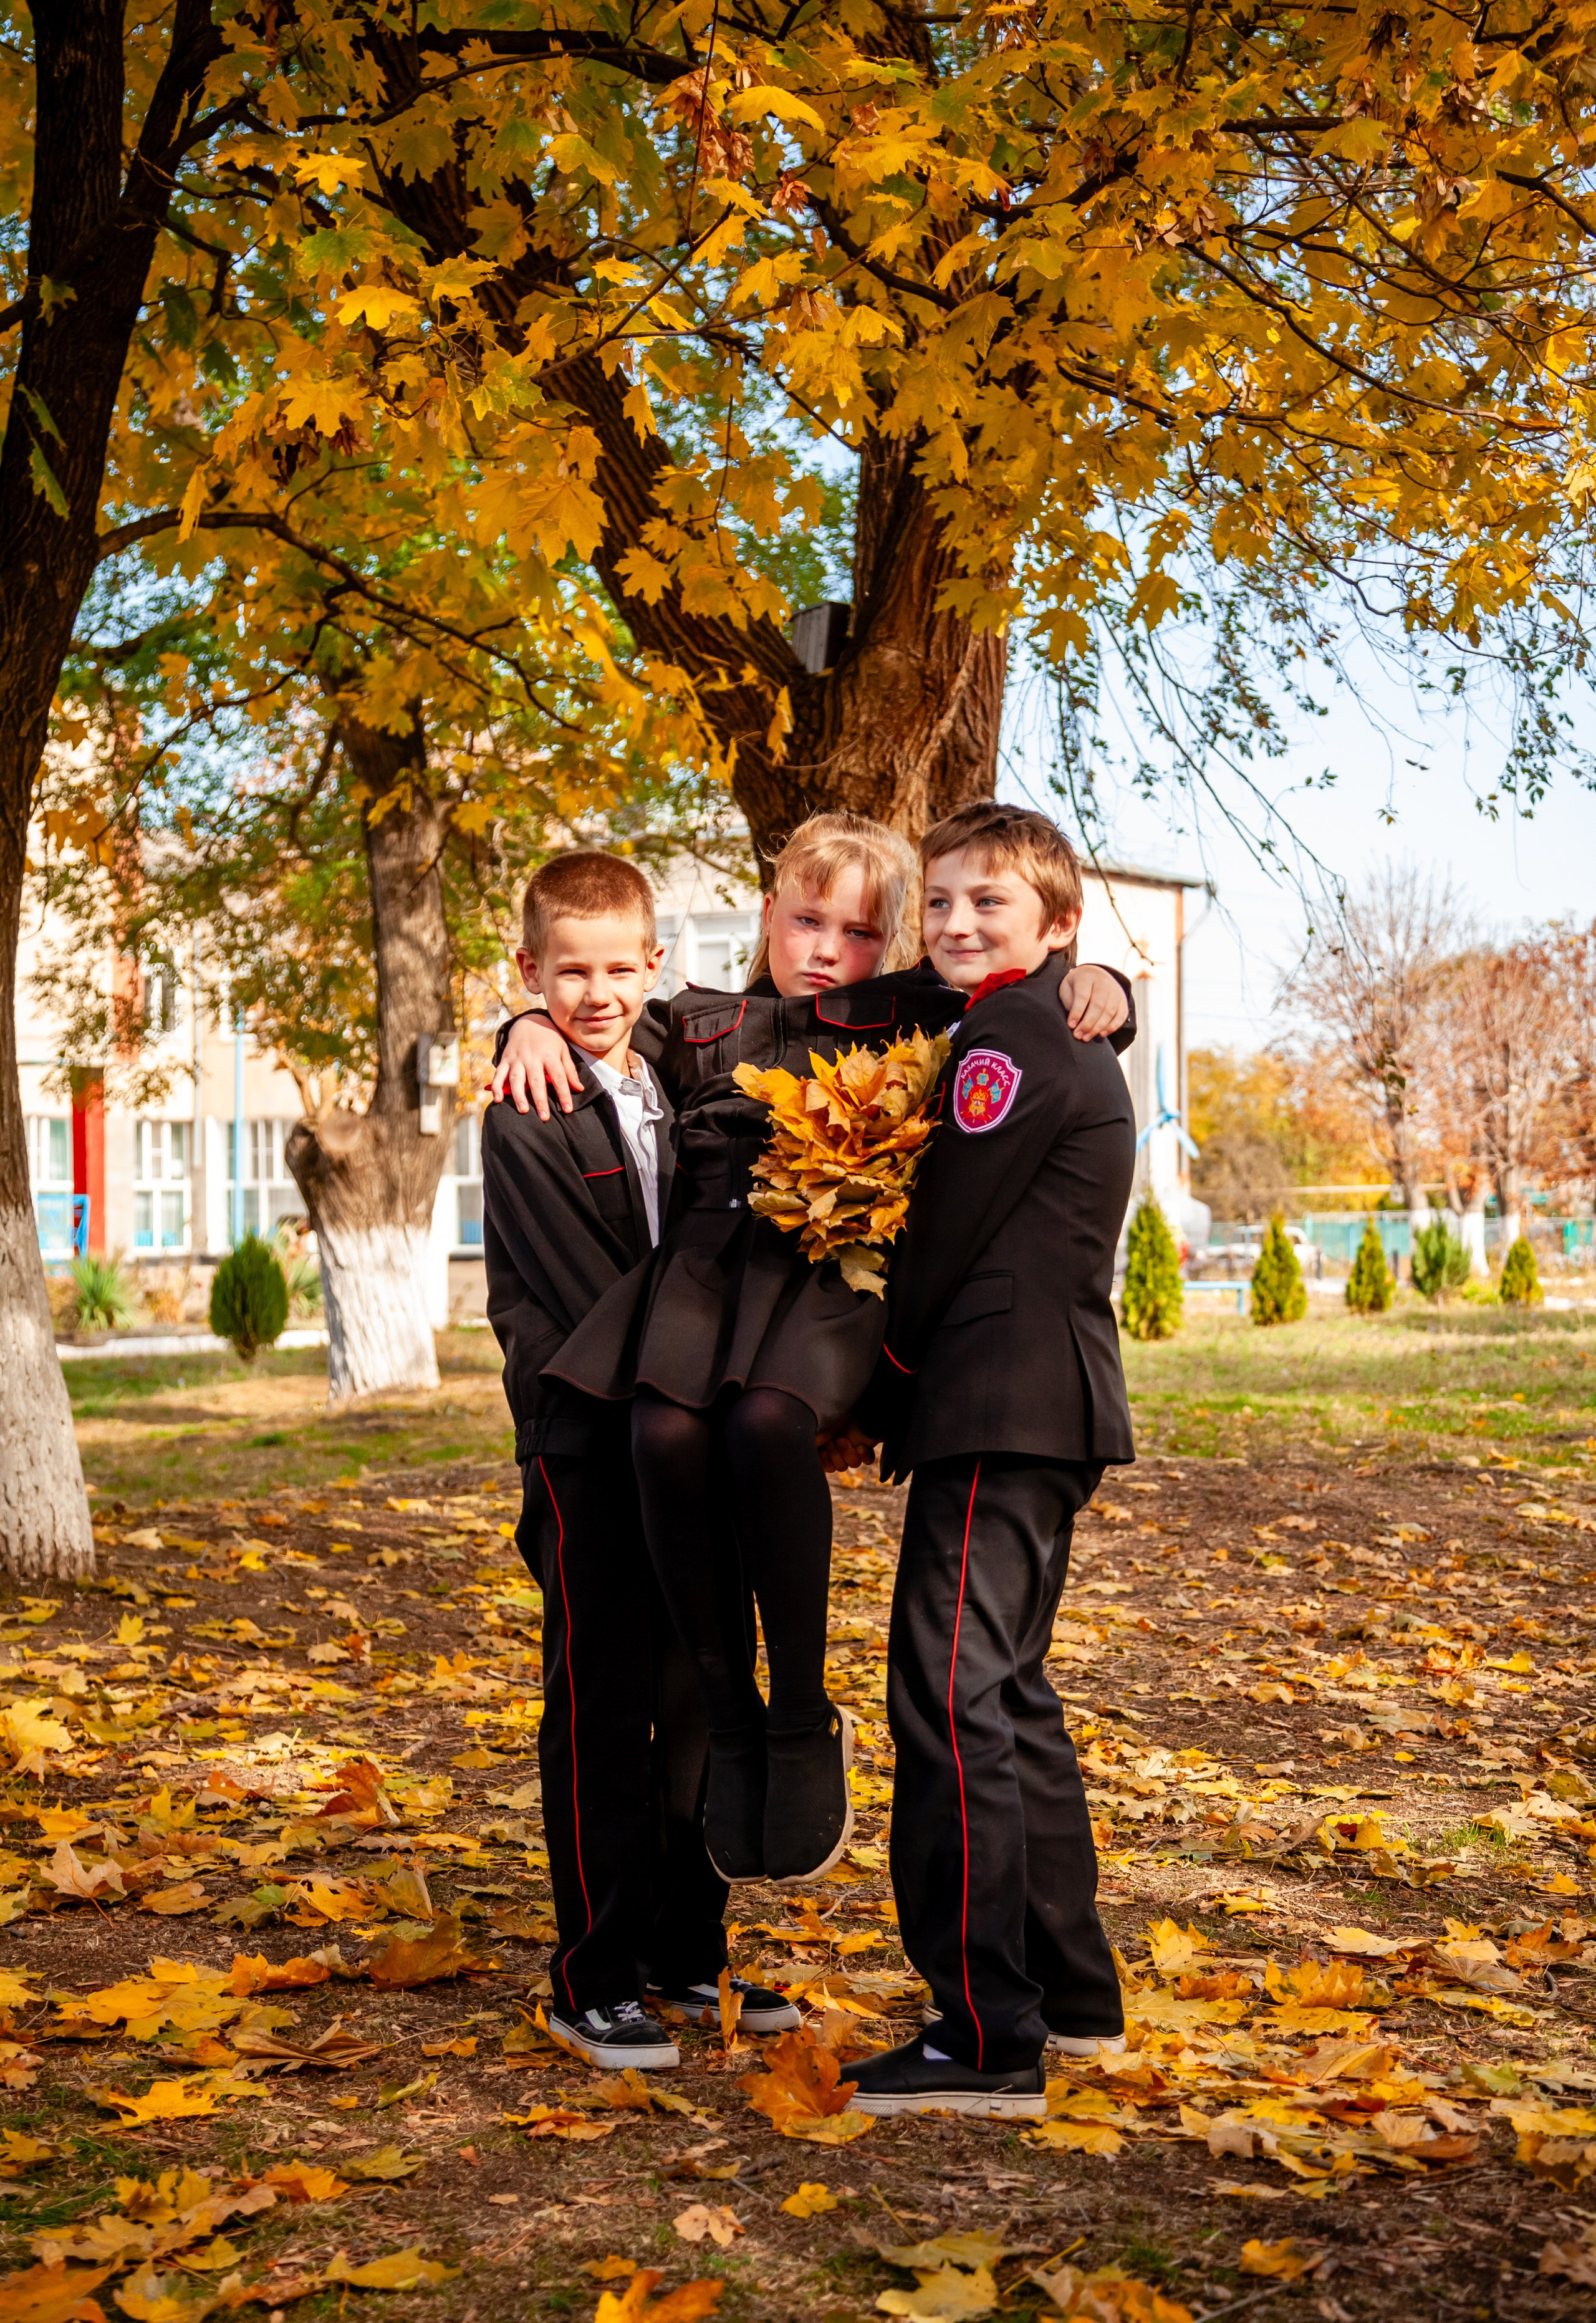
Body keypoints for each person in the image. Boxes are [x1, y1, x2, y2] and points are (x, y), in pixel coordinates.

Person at [491, 814, 1134, 1891]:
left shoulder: (920, 1016)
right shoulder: (698, 1022)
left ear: (893, 945)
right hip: (704, 1276)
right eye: (805, 921)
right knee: (660, 1429)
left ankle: (797, 1706)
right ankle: (731, 1707)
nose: (827, 948)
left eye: (859, 931)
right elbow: (597, 1020)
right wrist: (524, 1024)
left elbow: (1021, 1007)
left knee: (768, 1423)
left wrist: (1103, 979)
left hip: (825, 1276)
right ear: (768, 917)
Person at [841, 802, 1135, 2122]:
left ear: (1058, 926)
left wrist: (877, 1383)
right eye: (940, 903)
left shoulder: (1008, 1041)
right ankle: (1069, 1999)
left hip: (993, 1403)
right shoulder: (1011, 1016)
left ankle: (980, 2032)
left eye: (988, 907)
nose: (955, 925)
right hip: (1043, 1409)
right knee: (1005, 1697)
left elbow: (942, 1236)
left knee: (948, 1702)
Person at [481, 849, 799, 2068]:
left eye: (620, 968)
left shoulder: (685, 1063)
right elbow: (593, 1301)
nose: (596, 993)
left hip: (695, 1445)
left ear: (656, 969)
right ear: (529, 971)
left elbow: (815, 1008)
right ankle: (593, 1972)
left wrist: (1093, 985)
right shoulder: (526, 1119)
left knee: (702, 1699)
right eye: (566, 975)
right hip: (590, 1449)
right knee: (605, 1712)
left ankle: (685, 1954)